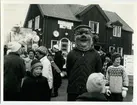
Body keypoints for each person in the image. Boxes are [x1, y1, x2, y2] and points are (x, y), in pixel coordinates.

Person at [66, 25, 102, 101]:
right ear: (75, 37)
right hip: (73, 90)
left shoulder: (95, 54)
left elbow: (98, 72)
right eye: (80, 33)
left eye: (86, 33)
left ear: (91, 37)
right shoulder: (71, 54)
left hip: (89, 91)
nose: (83, 35)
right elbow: (69, 70)